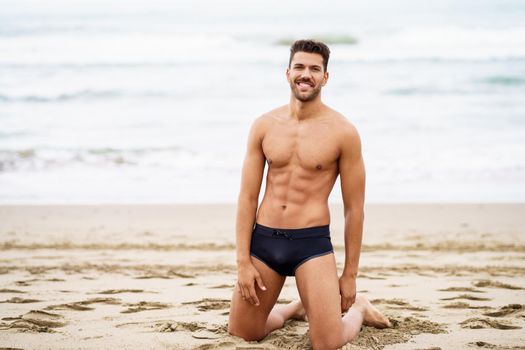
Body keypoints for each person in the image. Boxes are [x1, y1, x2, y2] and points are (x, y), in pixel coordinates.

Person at [227, 39, 391, 349]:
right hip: (265, 243)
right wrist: (242, 262)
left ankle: (358, 310)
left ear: (325, 77)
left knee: (326, 344)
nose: (307, 74)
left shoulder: (343, 132)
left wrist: (350, 276)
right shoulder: (264, 126)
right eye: (300, 67)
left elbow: (354, 210)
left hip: (311, 246)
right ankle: (293, 309)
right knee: (243, 334)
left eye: (315, 69)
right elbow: (247, 198)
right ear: (287, 73)